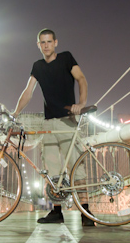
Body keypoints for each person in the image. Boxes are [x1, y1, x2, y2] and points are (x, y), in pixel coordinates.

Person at [12, 28, 94, 226]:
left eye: (49, 41)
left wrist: (81, 104)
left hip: (67, 120)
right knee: (50, 169)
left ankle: (86, 212)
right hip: (48, 123)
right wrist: (14, 114)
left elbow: (81, 78)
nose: (46, 45)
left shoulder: (66, 58)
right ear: (38, 45)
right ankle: (56, 212)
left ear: (55, 43)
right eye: (42, 42)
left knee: (77, 168)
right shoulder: (37, 66)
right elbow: (28, 91)